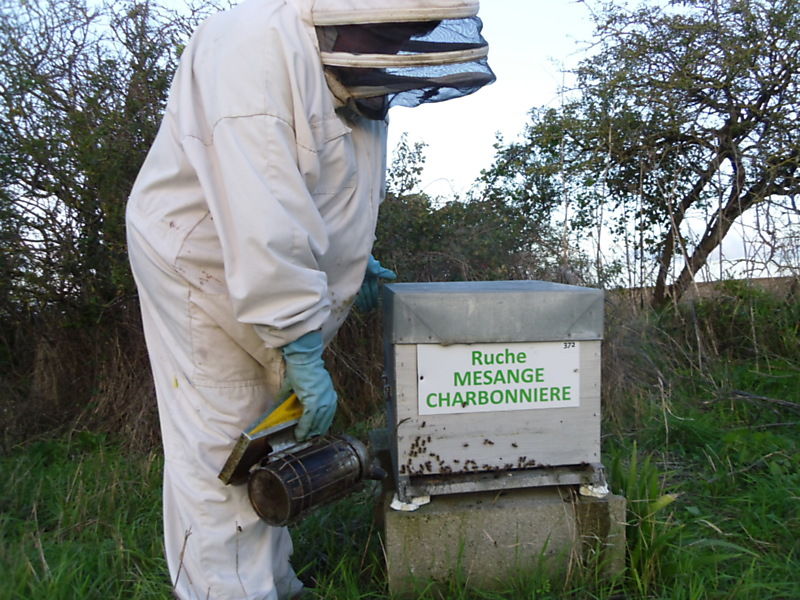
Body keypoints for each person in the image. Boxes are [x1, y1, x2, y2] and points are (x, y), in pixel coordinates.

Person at [126, 0, 494, 598]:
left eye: (406, 41)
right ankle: (227, 590)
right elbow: (258, 211)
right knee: (223, 449)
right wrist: (298, 338)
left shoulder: (352, 76)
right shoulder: (252, 48)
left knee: (272, 442)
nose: (394, 53)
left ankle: (274, 581)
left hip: (262, 269)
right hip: (202, 267)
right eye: (389, 35)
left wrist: (355, 263)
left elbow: (319, 190)